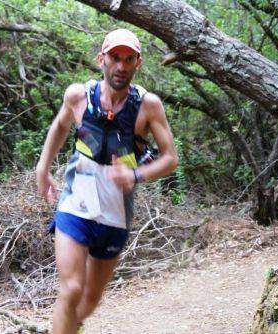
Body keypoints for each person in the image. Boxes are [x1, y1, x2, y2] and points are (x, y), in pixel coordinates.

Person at [35, 28, 178, 334]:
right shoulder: (78, 96)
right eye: (115, 58)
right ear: (101, 59)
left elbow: (170, 158)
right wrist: (43, 168)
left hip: (115, 214)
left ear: (137, 63)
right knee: (71, 289)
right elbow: (59, 127)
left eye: (129, 59)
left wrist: (135, 174)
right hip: (75, 204)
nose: (121, 67)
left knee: (87, 302)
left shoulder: (147, 105)